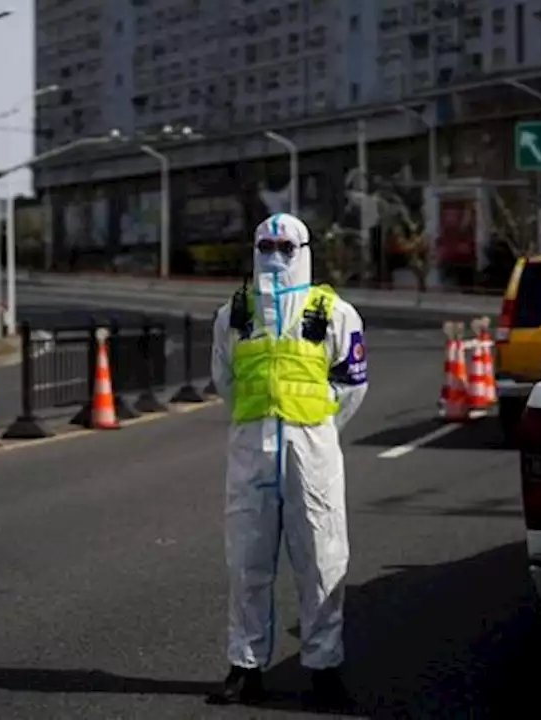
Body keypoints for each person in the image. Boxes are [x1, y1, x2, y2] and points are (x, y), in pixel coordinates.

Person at [206, 212, 368, 708]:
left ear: (304, 250)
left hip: (310, 451)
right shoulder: (234, 312)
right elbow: (225, 380)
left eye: (285, 247)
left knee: (321, 562)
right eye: (266, 246)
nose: (275, 257)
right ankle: (245, 665)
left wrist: (316, 428)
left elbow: (352, 384)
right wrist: (256, 425)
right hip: (252, 450)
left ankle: (323, 667)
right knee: (247, 565)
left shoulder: (334, 312)